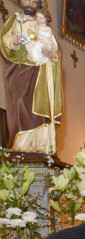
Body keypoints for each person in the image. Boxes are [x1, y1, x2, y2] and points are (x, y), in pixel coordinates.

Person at [1, 0, 62, 153]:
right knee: (20, 102)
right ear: (20, 2)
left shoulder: (43, 24)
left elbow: (55, 49)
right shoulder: (15, 20)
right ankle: (21, 143)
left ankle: (41, 145)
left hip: (42, 71)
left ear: (38, 4)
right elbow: (4, 41)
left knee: (41, 106)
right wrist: (13, 42)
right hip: (21, 70)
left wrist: (54, 55)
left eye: (33, 0)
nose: (30, 3)